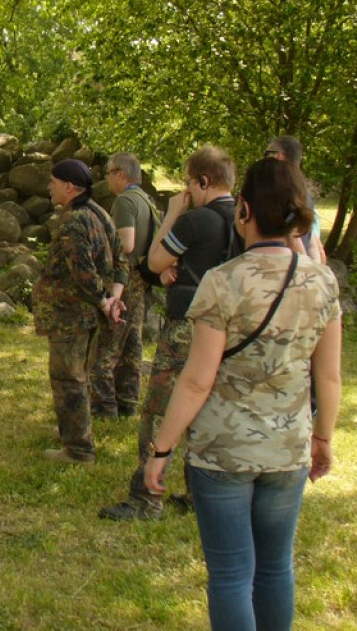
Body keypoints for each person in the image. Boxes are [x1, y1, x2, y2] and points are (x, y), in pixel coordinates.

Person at [144, 158, 342, 631]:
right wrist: (323, 439)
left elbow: (197, 380)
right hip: (287, 449)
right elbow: (329, 377)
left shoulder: (222, 282)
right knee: (275, 569)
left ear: (244, 210)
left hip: (222, 452)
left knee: (232, 574)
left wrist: (162, 449)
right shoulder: (322, 281)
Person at [100, 145, 237, 520]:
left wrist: (175, 212)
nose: (186, 190)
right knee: (211, 410)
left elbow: (156, 259)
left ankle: (146, 498)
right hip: (234, 329)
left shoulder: (197, 220)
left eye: (189, 183)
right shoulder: (246, 220)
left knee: (160, 409)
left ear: (202, 181)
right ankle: (202, 494)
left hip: (188, 326)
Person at [35, 159, 127, 464]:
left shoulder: (74, 221)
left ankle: (77, 449)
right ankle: (72, 431)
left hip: (70, 316)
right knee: (79, 377)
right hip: (85, 315)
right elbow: (119, 257)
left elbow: (83, 272)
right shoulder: (98, 212)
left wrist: (105, 301)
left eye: (53, 182)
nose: (49, 187)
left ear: (70, 187)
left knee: (68, 379)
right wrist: (114, 296)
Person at [92, 152, 159, 418]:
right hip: (141, 278)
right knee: (132, 341)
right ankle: (128, 402)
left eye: (108, 172)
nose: (106, 178)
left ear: (121, 174)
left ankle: (102, 405)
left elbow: (126, 244)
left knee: (108, 341)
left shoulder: (124, 201)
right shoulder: (147, 200)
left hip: (123, 276)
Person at [264, 136, 326, 264]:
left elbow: (296, 241)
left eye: (267, 153)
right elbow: (315, 246)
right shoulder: (305, 196)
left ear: (279, 156)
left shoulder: (276, 196)